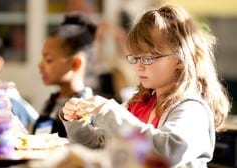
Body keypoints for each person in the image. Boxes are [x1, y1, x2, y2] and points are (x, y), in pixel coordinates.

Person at [61, 4, 231, 167]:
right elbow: (100, 147)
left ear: (180, 59)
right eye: (136, 57)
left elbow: (168, 153)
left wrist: (109, 113)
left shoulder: (192, 110)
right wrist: (76, 123)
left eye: (148, 58)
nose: (139, 66)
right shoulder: (136, 104)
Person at [32, 12, 96, 137]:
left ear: (75, 64)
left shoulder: (84, 107)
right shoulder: (51, 103)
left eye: (49, 59)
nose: (40, 65)